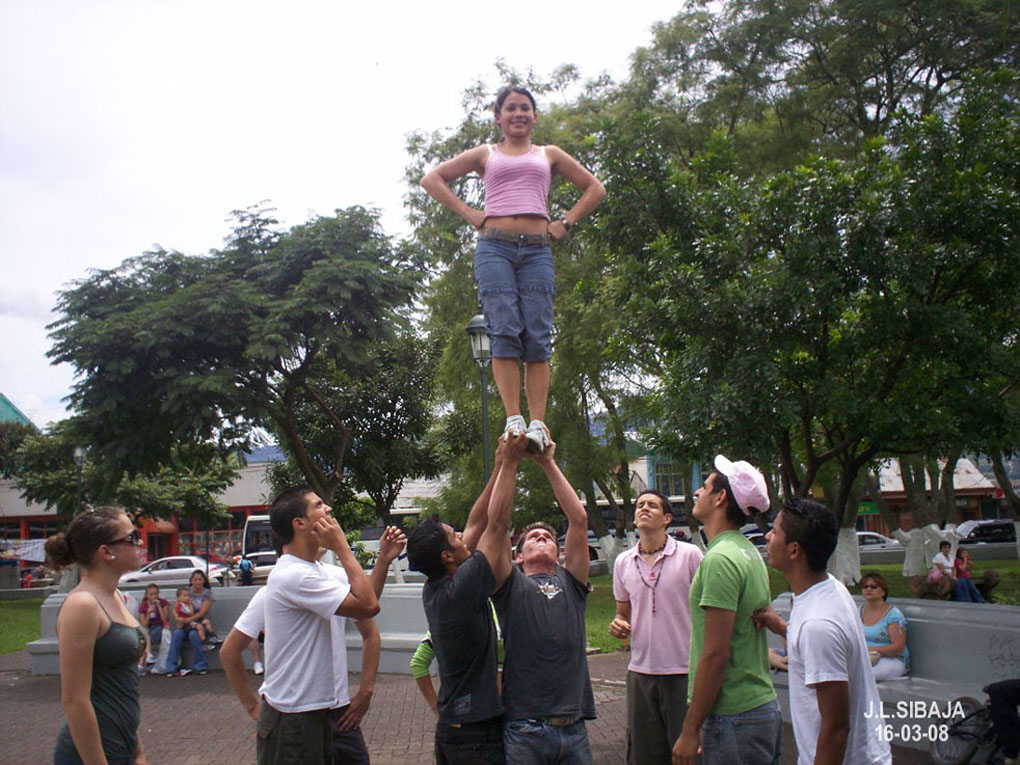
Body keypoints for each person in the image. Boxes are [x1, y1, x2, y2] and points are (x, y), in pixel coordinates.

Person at [420, 85, 605, 453]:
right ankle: (513, 418)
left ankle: (538, 423)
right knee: (503, 328)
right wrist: (470, 213)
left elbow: (594, 189)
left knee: (537, 333)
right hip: (495, 247)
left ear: (534, 116)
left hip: (537, 250)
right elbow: (432, 180)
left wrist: (565, 223)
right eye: (511, 109)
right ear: (498, 117)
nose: (518, 114)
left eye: (525, 108)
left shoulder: (548, 154)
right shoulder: (485, 153)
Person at [222, 526, 404, 765]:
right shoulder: (278, 587)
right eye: (316, 515)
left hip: (338, 713)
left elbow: (368, 606)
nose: (325, 523)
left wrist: (366, 690)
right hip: (296, 713)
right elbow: (230, 650)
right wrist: (254, 708)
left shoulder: (331, 577)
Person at [406, 433, 528, 764]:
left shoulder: (439, 585)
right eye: (455, 536)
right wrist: (513, 463)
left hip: (454, 730)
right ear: (447, 555)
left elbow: (477, 521)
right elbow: (497, 523)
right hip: (474, 737)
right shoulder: (462, 589)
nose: (463, 537)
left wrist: (500, 464)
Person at [753, 499, 892, 765]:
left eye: (775, 531)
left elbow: (836, 726)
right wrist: (782, 627)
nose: (768, 536)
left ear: (794, 550)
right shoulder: (830, 588)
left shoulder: (818, 625)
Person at [251, 487, 379, 765]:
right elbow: (368, 605)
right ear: (300, 523)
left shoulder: (313, 572)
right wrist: (342, 546)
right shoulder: (295, 575)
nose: (328, 509)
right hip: (294, 718)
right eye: (319, 506)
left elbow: (366, 598)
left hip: (314, 712)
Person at [490, 439, 596, 764]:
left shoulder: (572, 582)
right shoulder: (510, 585)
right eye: (532, 537)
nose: (541, 538)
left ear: (560, 554)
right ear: (517, 556)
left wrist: (547, 462)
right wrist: (507, 465)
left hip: (575, 729)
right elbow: (497, 525)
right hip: (524, 727)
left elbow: (578, 518)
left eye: (548, 537)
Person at [673, 455, 779, 765]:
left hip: (733, 716)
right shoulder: (748, 551)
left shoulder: (720, 560)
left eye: (704, 486)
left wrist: (690, 731)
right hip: (758, 709)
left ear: (720, 497)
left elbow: (716, 655)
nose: (697, 492)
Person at [45, 507, 149, 765]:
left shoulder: (114, 596)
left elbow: (121, 685)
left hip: (122, 747)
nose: (141, 542)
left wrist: (138, 752)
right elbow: (75, 700)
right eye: (132, 537)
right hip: (90, 756)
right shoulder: (82, 606)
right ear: (105, 552)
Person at [609, 489, 703, 764]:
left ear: (667, 519)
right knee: (643, 754)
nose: (644, 509)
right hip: (640, 671)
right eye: (640, 505)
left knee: (687, 753)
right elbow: (621, 613)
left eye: (652, 505)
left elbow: (707, 613)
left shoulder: (690, 555)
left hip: (684, 671)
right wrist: (619, 624)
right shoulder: (623, 562)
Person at [165, 569, 217, 676]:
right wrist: (177, 618)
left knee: (194, 635)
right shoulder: (186, 592)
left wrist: (188, 620)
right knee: (177, 634)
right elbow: (176, 606)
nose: (197, 582)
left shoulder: (207, 593)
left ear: (204, 581)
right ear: (191, 581)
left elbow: (202, 612)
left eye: (200, 580)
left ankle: (200, 666)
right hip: (185, 624)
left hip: (201, 623)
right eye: (195, 580)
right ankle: (171, 667)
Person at [857, 572, 909, 681]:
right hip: (863, 659)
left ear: (883, 592)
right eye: (865, 587)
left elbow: (898, 647)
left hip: (891, 660)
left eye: (873, 587)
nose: (868, 589)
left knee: (863, 677)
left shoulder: (893, 615)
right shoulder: (858, 611)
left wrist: (869, 650)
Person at [986, 679, 1020, 765]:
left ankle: (994, 734)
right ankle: (1010, 759)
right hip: (1001, 693)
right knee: (1011, 727)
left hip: (1008, 695)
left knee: (1009, 721)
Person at [137, 584, 169, 667]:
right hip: (148, 628)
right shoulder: (143, 606)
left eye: (156, 594)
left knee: (145, 638)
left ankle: (142, 663)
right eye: (151, 594)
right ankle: (147, 657)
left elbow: (165, 620)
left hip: (159, 627)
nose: (154, 596)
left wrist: (159, 607)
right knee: (145, 632)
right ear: (147, 595)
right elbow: (144, 623)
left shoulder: (163, 603)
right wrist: (148, 613)